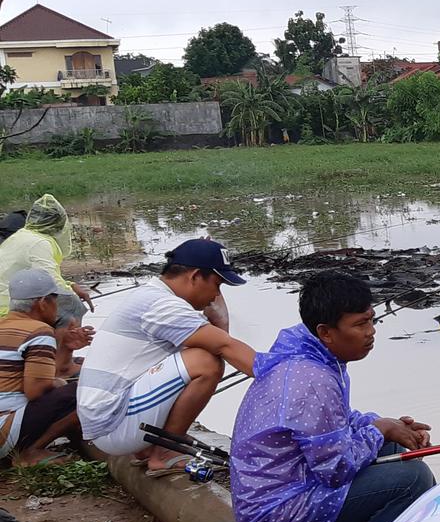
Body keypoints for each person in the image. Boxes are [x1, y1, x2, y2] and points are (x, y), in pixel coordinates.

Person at [230, 271, 435, 522]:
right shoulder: (313, 379)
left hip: (286, 487)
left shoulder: (308, 351)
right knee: (414, 478)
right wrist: (379, 429)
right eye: (360, 324)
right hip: (275, 513)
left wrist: (389, 427)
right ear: (326, 331)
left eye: (371, 319)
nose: (371, 331)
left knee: (392, 447)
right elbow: (335, 469)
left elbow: (337, 421)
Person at [77, 238, 256, 474]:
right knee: (205, 362)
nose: (215, 296)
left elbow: (216, 340)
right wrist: (286, 379)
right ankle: (164, 453)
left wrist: (219, 321)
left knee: (199, 354)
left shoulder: (153, 296)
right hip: (111, 425)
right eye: (217, 285)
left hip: (105, 420)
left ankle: (149, 448)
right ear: (194, 277)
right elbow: (223, 346)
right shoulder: (162, 305)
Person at [0, 195, 95, 377]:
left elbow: (45, 276)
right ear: (58, 224)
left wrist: (71, 284)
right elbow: (51, 283)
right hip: (10, 307)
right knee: (72, 306)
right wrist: (70, 292)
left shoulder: (22, 236)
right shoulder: (40, 243)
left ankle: (59, 357)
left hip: (13, 298)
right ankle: (61, 365)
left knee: (65, 299)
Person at [0, 270, 88, 465]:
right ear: (42, 303)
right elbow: (36, 391)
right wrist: (59, 383)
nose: (56, 308)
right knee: (83, 390)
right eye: (55, 301)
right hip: (4, 430)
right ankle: (31, 451)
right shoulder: (39, 331)